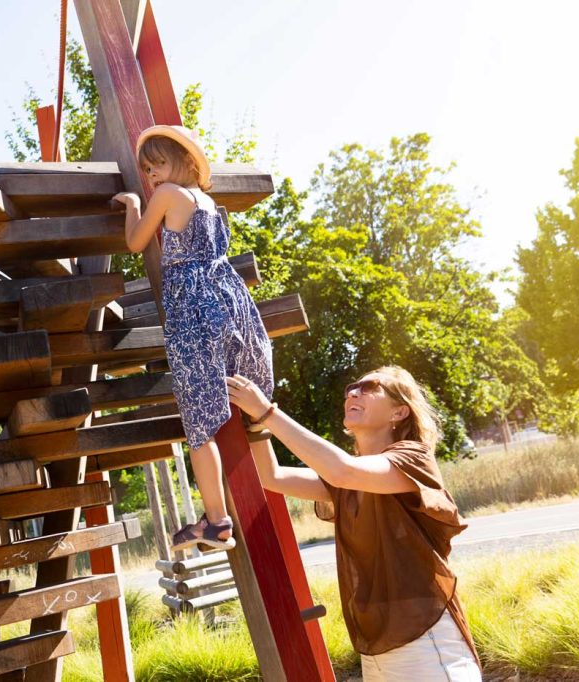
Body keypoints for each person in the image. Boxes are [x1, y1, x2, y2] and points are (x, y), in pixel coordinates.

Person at [226, 366, 482, 681]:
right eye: (351, 387)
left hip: (425, 637)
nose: (353, 392)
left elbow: (341, 471)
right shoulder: (347, 478)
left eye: (370, 386)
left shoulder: (414, 458)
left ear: (399, 411)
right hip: (378, 646)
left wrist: (266, 411)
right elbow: (273, 477)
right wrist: (254, 426)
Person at [111, 125, 273, 551]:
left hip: (193, 310)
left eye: (157, 165)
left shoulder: (167, 197)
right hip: (228, 298)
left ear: (184, 163)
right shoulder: (210, 204)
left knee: (199, 422)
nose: (150, 176)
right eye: (146, 170)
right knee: (232, 401)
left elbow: (134, 242)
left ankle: (218, 521)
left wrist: (132, 203)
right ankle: (226, 506)